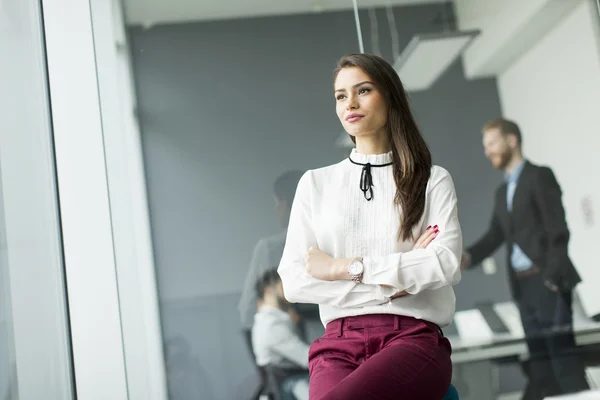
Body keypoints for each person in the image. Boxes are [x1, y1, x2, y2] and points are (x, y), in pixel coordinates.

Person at [277, 53, 462, 400]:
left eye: (363, 90)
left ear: (390, 97)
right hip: (337, 344)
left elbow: (444, 264)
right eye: (341, 95)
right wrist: (396, 284)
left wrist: (339, 268)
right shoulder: (315, 184)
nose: (350, 103)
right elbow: (295, 281)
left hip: (411, 338)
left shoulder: (431, 180)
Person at [461, 118, 589, 400]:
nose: (488, 151)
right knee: (539, 363)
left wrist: (553, 278)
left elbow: (558, 230)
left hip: (548, 280)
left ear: (512, 140)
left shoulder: (539, 176)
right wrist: (467, 258)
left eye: (492, 143)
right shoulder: (501, 192)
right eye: (485, 146)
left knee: (563, 360)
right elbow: (495, 235)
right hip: (523, 286)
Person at [238, 170, 305, 357]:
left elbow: (248, 308)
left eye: (276, 204)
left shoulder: (270, 249)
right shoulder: (332, 243)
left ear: (284, 204)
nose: (276, 210)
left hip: (293, 350)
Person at [252, 268, 310, 400]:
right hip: (289, 386)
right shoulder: (271, 325)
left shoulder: (274, 320)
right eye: (283, 284)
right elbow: (307, 357)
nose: (289, 288)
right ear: (268, 290)